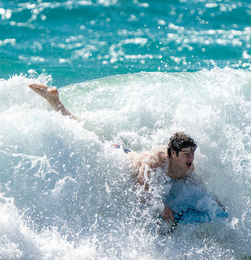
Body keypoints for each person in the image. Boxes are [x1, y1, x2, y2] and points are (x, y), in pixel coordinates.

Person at [29, 83, 210, 224]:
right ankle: (55, 101)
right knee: (85, 137)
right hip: (118, 156)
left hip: (130, 153)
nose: (190, 158)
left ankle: (55, 101)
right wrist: (162, 208)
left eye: (192, 153)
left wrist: (215, 203)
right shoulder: (155, 162)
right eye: (186, 153)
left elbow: (199, 186)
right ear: (173, 154)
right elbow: (141, 190)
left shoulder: (187, 165)